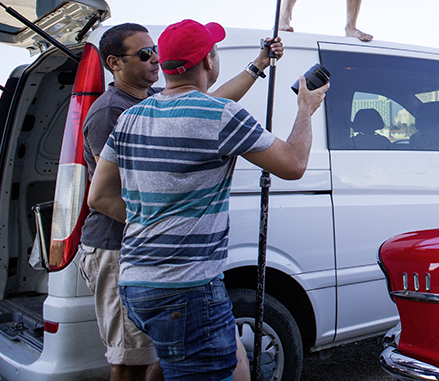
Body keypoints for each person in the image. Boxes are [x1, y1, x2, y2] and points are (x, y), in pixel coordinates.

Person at [87, 20, 326, 381]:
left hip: (136, 283)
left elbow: (99, 196)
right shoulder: (219, 115)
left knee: (200, 363)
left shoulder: (132, 117)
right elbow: (293, 165)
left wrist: (152, 219)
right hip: (187, 289)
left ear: (163, 64)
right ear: (210, 62)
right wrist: (305, 109)